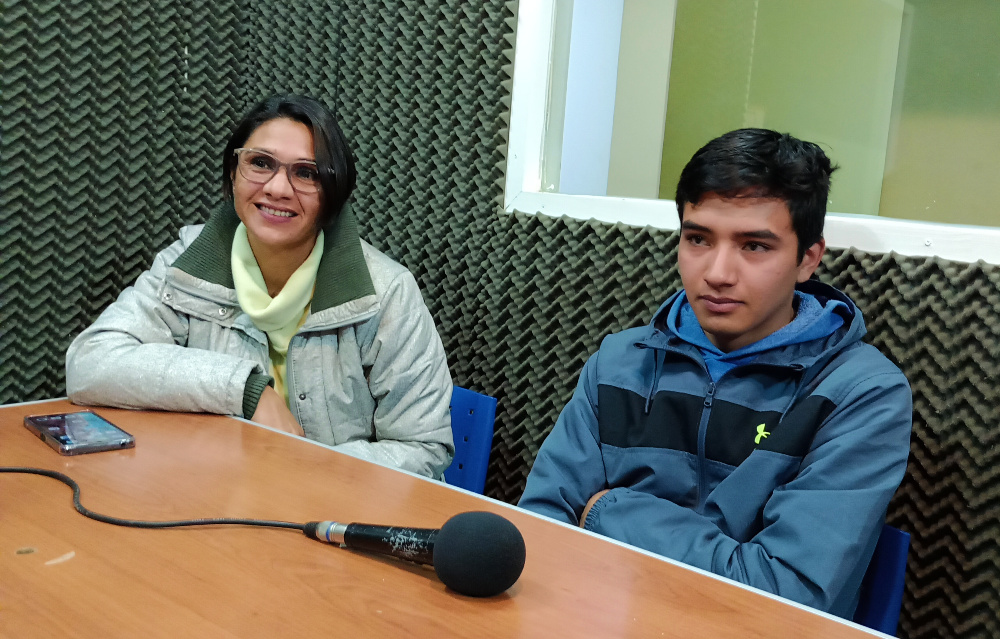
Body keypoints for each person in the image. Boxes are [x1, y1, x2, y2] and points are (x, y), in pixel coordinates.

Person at [518, 128, 912, 617]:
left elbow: (781, 594)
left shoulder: (861, 393)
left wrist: (606, 511)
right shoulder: (620, 361)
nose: (718, 272)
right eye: (698, 239)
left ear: (807, 258)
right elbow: (542, 529)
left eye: (754, 246)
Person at [66, 94, 454, 478]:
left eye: (306, 173)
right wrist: (245, 389)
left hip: (327, 515)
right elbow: (89, 363)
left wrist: (302, 469)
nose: (277, 189)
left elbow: (423, 449)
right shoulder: (186, 265)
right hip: (211, 496)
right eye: (260, 163)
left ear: (333, 191)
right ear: (233, 172)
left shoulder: (386, 294)